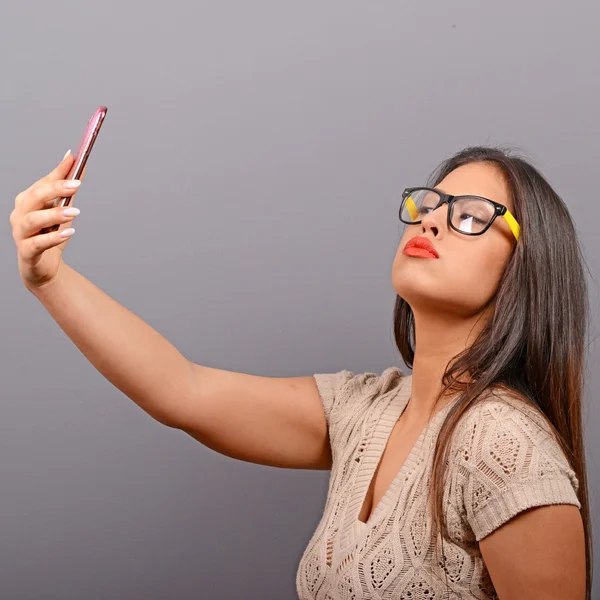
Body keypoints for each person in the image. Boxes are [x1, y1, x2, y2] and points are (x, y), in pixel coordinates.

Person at [9, 145, 592, 599]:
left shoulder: (503, 443)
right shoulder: (368, 411)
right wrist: (48, 278)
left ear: (527, 266)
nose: (432, 222)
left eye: (470, 217)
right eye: (429, 204)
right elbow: (183, 391)